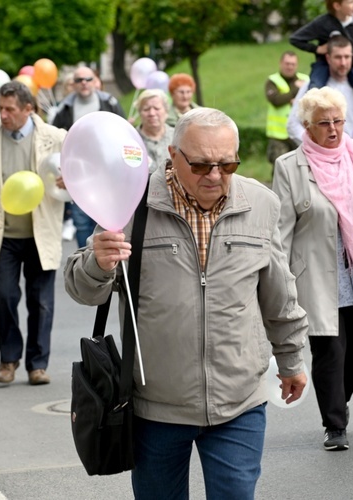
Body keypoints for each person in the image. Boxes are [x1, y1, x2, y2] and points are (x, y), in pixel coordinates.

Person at [65, 107, 308, 499]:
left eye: (227, 164)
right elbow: (83, 289)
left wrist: (292, 359)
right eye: (201, 165)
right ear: (173, 157)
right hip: (155, 407)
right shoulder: (132, 201)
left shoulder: (261, 204)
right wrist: (98, 262)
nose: (215, 175)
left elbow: (279, 293)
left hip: (239, 400)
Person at [273, 87, 353, 451]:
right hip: (315, 274)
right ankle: (334, 424)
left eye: (338, 121)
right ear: (307, 127)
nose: (333, 129)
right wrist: (279, 281)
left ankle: (338, 399)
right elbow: (281, 229)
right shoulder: (289, 167)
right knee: (329, 350)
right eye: (324, 123)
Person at [0, 81, 66, 386]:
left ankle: (37, 365)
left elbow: (78, 174)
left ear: (28, 109)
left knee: (41, 302)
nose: (3, 114)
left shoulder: (56, 138)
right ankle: (8, 360)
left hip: (41, 234)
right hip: (4, 236)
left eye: (9, 109)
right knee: (3, 296)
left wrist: (69, 182)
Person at [53, 66, 125, 248]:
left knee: (106, 221)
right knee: (82, 222)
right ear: (73, 84)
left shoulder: (110, 103)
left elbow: (124, 133)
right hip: (79, 173)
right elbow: (54, 140)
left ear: (95, 81)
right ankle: (83, 263)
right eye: (79, 80)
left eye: (88, 79)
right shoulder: (65, 108)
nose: (84, 83)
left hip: (108, 172)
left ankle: (106, 266)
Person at [287, 36, 353, 151]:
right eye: (338, 57)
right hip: (324, 160)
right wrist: (316, 148)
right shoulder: (314, 86)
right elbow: (293, 124)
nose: (343, 63)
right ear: (328, 58)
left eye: (347, 57)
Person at [290, 0, 353, 120]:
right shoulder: (323, 22)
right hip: (323, 64)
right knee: (313, 92)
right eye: (351, 2)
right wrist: (317, 49)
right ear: (337, 5)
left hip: (352, 65)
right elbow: (295, 39)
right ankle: (313, 127)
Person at [265, 51, 309, 165]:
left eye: (293, 64)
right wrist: (296, 89)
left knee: (301, 167)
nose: (290, 67)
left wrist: (291, 99)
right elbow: (276, 100)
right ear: (281, 63)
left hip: (300, 132)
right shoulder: (272, 81)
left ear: (297, 65)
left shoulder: (305, 79)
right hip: (279, 135)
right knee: (279, 168)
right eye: (287, 63)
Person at [135, 89, 174, 174]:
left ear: (166, 111)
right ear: (140, 113)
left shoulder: (177, 137)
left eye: (157, 108)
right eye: (146, 109)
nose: (152, 113)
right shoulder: (132, 140)